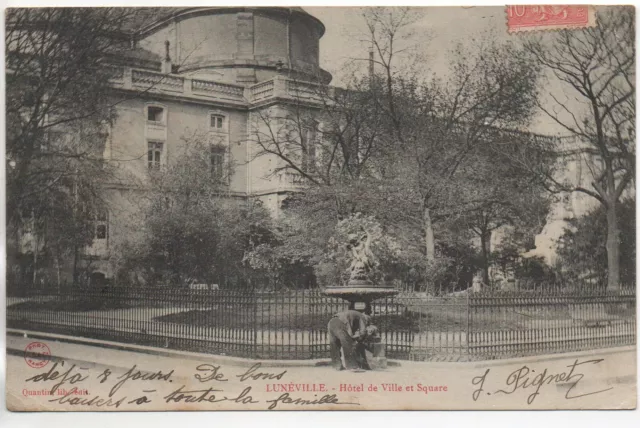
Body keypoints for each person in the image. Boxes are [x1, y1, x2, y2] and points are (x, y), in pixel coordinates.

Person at [328, 304, 373, 371]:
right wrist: (359, 340)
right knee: (347, 344)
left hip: (331, 322)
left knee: (335, 344)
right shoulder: (363, 317)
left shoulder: (355, 314)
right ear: (367, 320)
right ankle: (352, 366)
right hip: (341, 323)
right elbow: (362, 331)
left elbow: (351, 329)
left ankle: (337, 365)